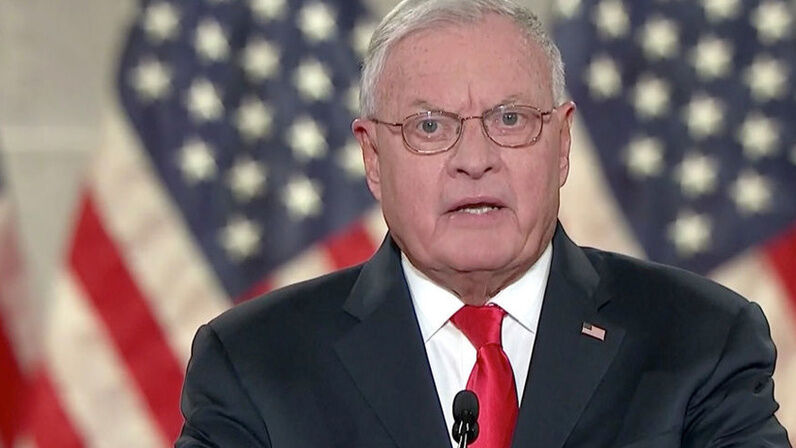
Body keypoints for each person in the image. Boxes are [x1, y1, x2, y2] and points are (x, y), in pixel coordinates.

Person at [175, 0, 791, 446]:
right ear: (373, 159)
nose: (475, 160)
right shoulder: (256, 364)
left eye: (510, 119)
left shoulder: (701, 341)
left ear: (562, 144)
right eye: (430, 126)